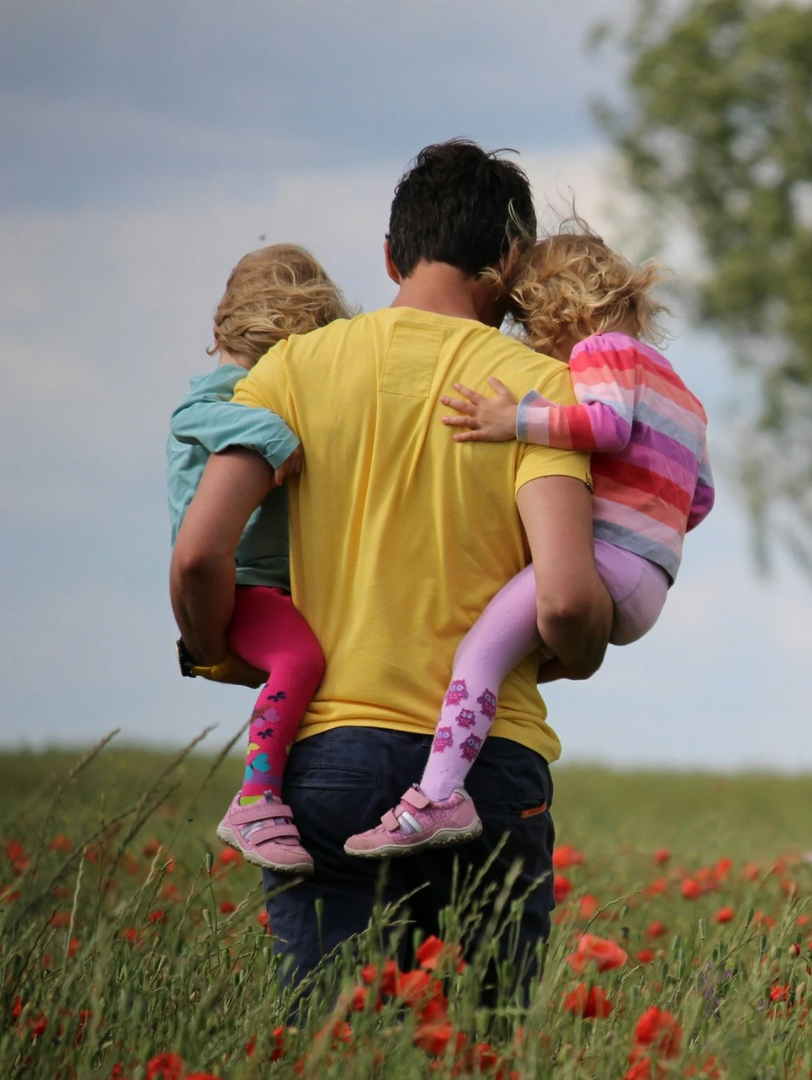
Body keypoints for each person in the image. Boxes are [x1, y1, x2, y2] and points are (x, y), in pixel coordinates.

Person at [170, 139, 613, 989]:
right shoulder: (538, 392)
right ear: (511, 262)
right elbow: (563, 601)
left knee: (332, 1038)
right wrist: (582, 649)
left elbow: (197, 555)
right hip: (487, 768)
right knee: (481, 1039)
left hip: (328, 758)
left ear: (389, 256)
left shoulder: (289, 371)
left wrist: (220, 648)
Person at [344, 224, 714, 858]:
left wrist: (514, 419)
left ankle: (438, 797)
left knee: (478, 655)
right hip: (651, 580)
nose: (538, 345)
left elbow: (606, 426)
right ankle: (458, 764)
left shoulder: (602, 350)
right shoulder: (682, 392)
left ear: (562, 311)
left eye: (534, 327)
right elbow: (699, 499)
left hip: (606, 561)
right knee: (514, 656)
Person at [168, 244, 352, 874]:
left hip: (271, 583)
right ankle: (255, 797)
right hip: (243, 584)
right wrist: (273, 434)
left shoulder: (250, 386)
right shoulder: (224, 394)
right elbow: (192, 416)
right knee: (300, 660)